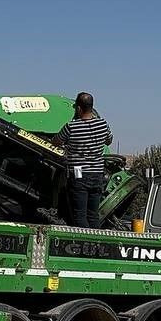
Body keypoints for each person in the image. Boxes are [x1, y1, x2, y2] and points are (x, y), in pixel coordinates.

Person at [54, 92, 113, 227]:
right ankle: (96, 244)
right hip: (97, 174)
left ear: (79, 108)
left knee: (79, 215)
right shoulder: (103, 124)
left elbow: (56, 142)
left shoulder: (71, 126)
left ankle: (83, 245)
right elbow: (109, 140)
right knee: (93, 215)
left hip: (79, 173)